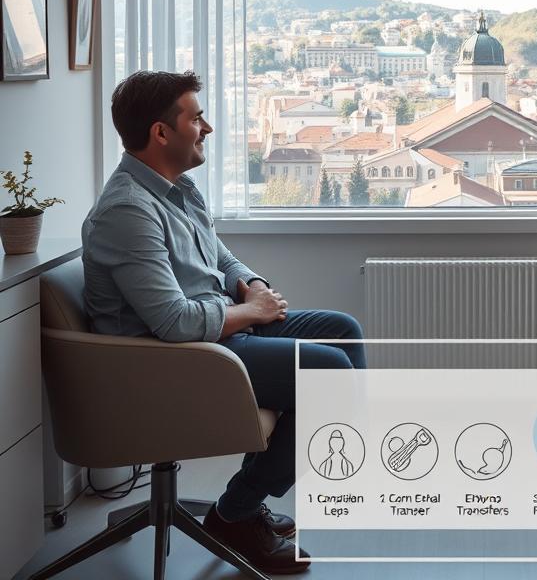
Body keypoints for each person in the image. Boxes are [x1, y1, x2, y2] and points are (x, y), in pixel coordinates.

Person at [82, 70, 366, 575]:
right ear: (161, 132)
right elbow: (172, 321)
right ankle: (235, 514)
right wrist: (253, 312)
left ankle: (244, 504)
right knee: (329, 374)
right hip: (169, 360)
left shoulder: (179, 187)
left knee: (341, 329)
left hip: (218, 331)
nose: (207, 127)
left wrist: (249, 284)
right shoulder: (127, 211)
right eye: (196, 117)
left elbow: (220, 258)